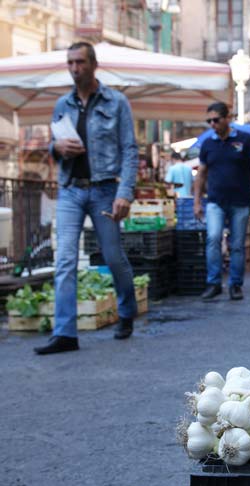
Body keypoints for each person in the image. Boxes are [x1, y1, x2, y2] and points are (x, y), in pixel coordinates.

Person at [37, 41, 138, 355]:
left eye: (79, 62)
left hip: (105, 190)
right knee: (64, 259)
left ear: (93, 64)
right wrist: (57, 149)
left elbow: (130, 151)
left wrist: (125, 193)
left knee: (112, 256)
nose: (74, 68)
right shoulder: (61, 105)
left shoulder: (117, 101)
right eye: (69, 62)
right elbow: (53, 147)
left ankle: (126, 312)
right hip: (70, 189)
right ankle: (65, 332)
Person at [192, 102, 250, 301]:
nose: (213, 124)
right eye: (209, 121)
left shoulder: (245, 139)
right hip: (215, 200)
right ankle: (214, 282)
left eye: (216, 119)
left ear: (227, 118)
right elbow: (201, 174)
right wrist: (197, 201)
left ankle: (235, 284)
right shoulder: (208, 144)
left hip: (241, 200)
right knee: (213, 238)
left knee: (237, 244)